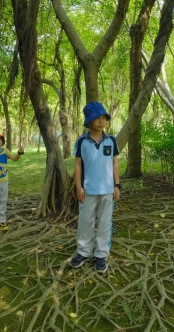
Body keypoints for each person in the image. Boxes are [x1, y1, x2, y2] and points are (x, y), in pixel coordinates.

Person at [69, 102, 120, 274]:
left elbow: (114, 164)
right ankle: (83, 251)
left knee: (105, 223)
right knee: (85, 221)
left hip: (107, 190)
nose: (101, 121)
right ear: (89, 122)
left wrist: (116, 185)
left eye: (104, 118)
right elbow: (78, 165)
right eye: (97, 118)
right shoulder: (82, 141)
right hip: (88, 189)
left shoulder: (111, 140)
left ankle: (101, 254)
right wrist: (78, 187)